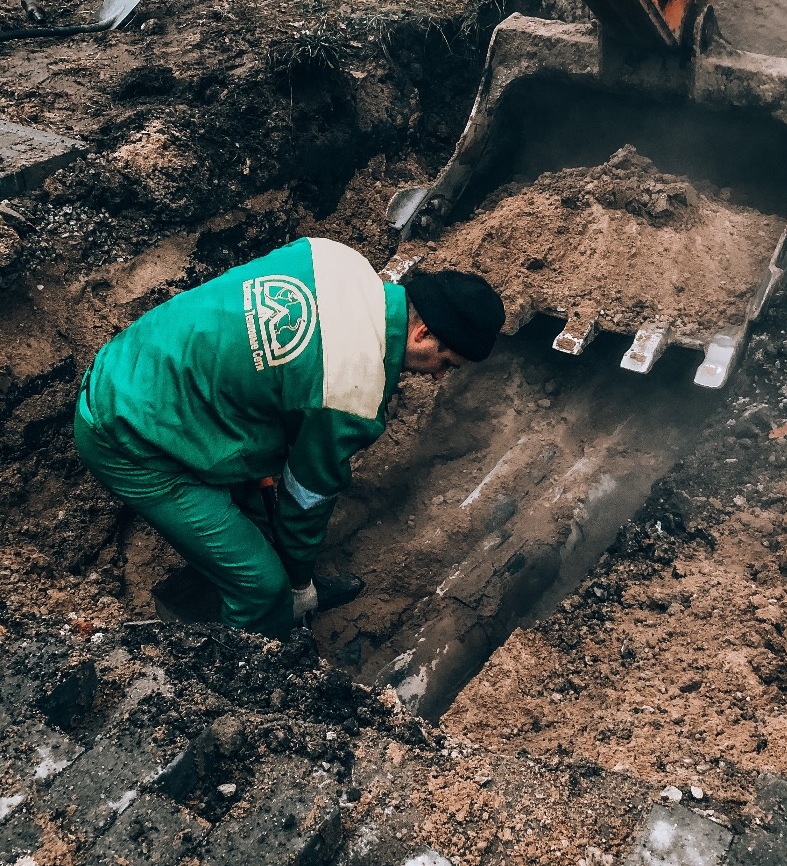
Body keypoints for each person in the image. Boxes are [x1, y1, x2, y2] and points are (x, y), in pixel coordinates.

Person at [74, 237, 505, 640]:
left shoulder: (334, 258)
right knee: (261, 586)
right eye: (446, 362)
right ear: (423, 332)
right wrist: (297, 582)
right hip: (130, 438)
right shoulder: (351, 391)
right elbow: (305, 499)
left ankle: (264, 576)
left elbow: (268, 367)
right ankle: (251, 674)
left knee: (263, 521)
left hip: (141, 364)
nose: (439, 376)